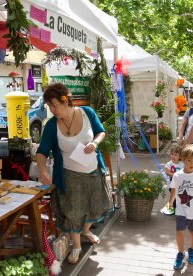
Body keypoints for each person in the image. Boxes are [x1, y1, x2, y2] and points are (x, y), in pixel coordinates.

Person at [36, 83, 112, 264]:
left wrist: (95, 143)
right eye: (49, 106)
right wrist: (42, 169)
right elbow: (41, 151)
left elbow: (101, 132)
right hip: (69, 176)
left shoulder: (87, 113)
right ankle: (76, 246)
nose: (52, 109)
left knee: (95, 207)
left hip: (93, 172)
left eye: (54, 105)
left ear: (65, 100)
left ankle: (86, 230)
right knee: (73, 212)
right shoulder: (51, 125)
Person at [168, 144, 193, 270]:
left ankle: (192, 250)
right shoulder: (177, 175)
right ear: (183, 159)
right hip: (181, 211)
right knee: (179, 232)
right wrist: (170, 203)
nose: (192, 163)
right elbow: (173, 190)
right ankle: (180, 253)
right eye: (189, 160)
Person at [165, 145, 184, 212]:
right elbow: (167, 172)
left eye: (175, 155)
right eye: (172, 154)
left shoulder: (182, 164)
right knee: (174, 196)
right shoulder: (169, 164)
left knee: (180, 196)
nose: (173, 156)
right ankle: (173, 208)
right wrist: (174, 174)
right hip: (172, 184)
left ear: (180, 156)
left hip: (181, 184)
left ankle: (177, 208)